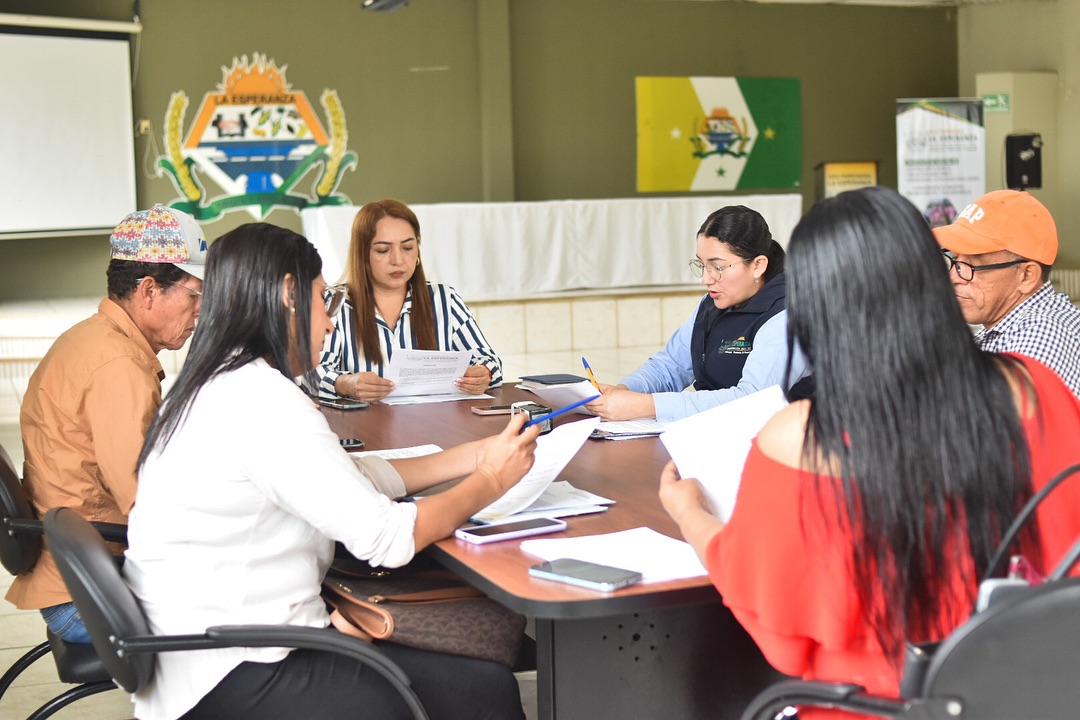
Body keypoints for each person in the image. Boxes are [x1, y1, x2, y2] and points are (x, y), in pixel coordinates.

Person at [658, 187, 1080, 717]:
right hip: (1033, 692)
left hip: (876, 706)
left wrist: (688, 513)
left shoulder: (800, 439)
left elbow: (778, 635)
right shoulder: (1037, 386)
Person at [124, 222, 538, 720]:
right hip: (238, 669)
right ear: (288, 296)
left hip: (203, 652)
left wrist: (472, 456)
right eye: (324, 300)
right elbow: (388, 538)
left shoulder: (217, 381)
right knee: (484, 688)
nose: (330, 322)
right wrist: (491, 480)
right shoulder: (262, 402)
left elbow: (346, 476)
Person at [5, 204, 205, 643]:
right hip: (87, 593)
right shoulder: (119, 366)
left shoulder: (93, 338)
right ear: (149, 290)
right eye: (194, 295)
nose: (199, 311)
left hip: (77, 571)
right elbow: (146, 503)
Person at [586, 205, 809, 423]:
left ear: (758, 265)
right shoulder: (712, 304)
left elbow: (752, 401)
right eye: (701, 265)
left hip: (776, 438)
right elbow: (669, 366)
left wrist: (647, 406)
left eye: (718, 267)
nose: (706, 279)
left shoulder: (787, 315)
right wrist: (623, 391)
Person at [314, 199, 502, 402]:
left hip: (436, 419)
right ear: (362, 255)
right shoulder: (337, 302)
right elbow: (312, 371)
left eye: (407, 247)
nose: (398, 260)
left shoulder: (444, 299)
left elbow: (489, 360)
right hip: (366, 420)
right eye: (383, 250)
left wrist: (483, 373)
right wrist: (345, 383)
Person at [934, 189, 1080, 397]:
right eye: (956, 260)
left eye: (973, 265)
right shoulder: (999, 328)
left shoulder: (1043, 332)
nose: (953, 277)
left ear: (1027, 276)